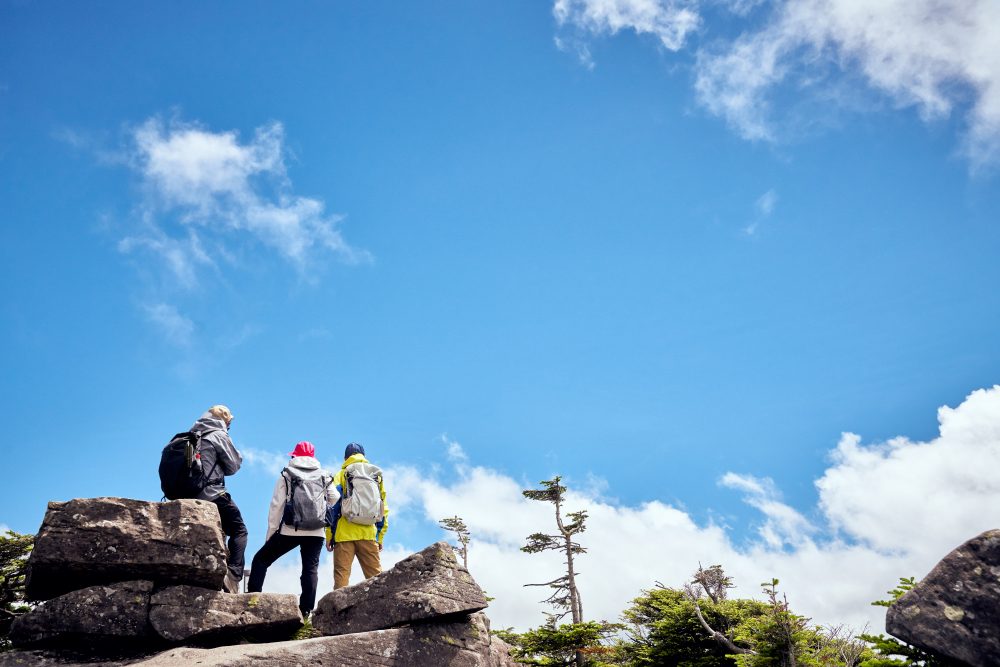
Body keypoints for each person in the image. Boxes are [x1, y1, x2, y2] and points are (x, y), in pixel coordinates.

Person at [247, 441, 337, 617]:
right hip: (316, 531)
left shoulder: (286, 474)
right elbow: (335, 497)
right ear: (313, 456)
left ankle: (251, 601)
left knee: (260, 560)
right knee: (310, 569)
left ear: (295, 456)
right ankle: (305, 611)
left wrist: (271, 533)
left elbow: (276, 506)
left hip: (290, 529)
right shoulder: (325, 475)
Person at [191, 404, 246, 594]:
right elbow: (233, 465)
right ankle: (233, 576)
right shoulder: (218, 435)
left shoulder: (193, 435)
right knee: (239, 530)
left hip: (189, 494)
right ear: (224, 420)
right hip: (211, 493)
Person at [326, 442, 389, 589]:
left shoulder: (341, 474)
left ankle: (337, 612)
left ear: (345, 458)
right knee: (376, 579)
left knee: (341, 579)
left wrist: (329, 535)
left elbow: (332, 507)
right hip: (368, 533)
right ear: (364, 456)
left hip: (344, 534)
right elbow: (383, 508)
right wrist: (379, 536)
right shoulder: (374, 475)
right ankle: (382, 609)